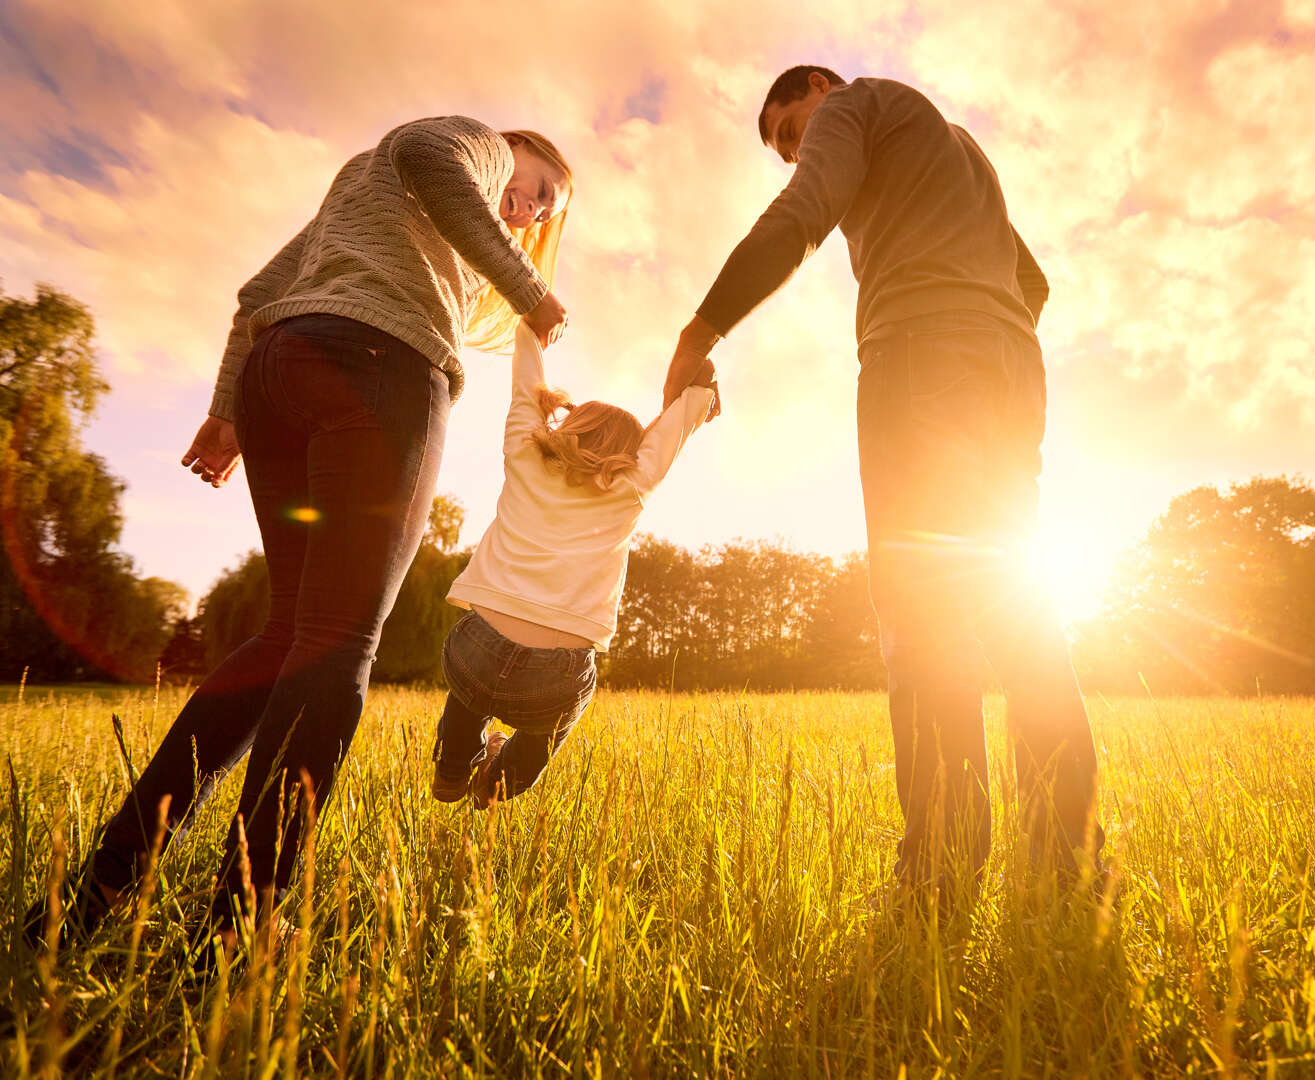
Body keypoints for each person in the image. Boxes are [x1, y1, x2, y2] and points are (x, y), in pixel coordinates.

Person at [26, 117, 574, 952]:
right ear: (511, 148)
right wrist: (527, 287)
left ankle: (103, 883)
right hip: (381, 370)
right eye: (537, 188)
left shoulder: (367, 197)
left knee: (289, 634)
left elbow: (256, 296)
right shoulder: (469, 142)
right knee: (340, 641)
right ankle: (241, 924)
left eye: (544, 213)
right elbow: (431, 155)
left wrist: (224, 412)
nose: (530, 211)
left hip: (280, 373)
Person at [663, 67, 1102, 896]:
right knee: (1019, 609)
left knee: (923, 608)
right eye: (787, 148)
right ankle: (1067, 861)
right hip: (1011, 368)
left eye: (795, 131)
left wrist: (701, 328)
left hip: (920, 358)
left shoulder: (857, 105)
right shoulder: (956, 146)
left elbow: (802, 216)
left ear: (822, 88)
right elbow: (1031, 280)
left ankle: (939, 871)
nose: (798, 153)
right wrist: (980, 332)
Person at [430, 325, 715, 806]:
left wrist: (531, 330)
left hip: (476, 650)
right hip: (555, 677)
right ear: (631, 454)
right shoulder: (632, 486)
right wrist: (700, 389)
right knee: (543, 736)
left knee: (469, 695)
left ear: (569, 426)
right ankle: (498, 786)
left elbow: (525, 387)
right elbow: (678, 424)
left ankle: (453, 769)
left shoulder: (525, 453)